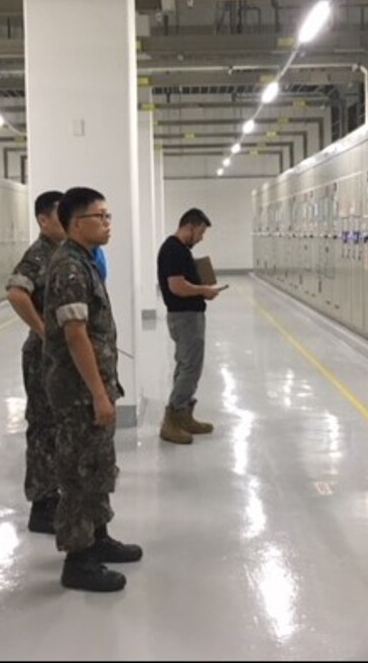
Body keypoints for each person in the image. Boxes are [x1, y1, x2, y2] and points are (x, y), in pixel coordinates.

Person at [43, 187, 142, 592]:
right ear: (75, 223)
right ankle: (78, 560)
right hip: (79, 392)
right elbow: (75, 335)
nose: (107, 223)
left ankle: (98, 538)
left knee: (99, 467)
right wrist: (99, 394)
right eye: (100, 216)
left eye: (108, 215)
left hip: (95, 385)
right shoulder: (68, 267)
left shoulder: (85, 262)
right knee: (80, 473)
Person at [6, 190, 66, 534]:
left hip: (57, 355)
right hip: (42, 357)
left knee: (56, 426)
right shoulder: (39, 254)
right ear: (43, 220)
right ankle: (42, 505)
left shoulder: (62, 252)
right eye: (60, 217)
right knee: (43, 427)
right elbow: (16, 291)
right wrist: (44, 331)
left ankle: (52, 494)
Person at [156, 208, 220, 445]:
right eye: (201, 232)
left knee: (186, 366)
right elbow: (177, 286)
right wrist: (204, 290)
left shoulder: (180, 249)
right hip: (185, 317)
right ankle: (172, 420)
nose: (201, 238)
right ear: (190, 227)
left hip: (188, 315)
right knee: (190, 368)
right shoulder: (173, 249)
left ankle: (184, 416)